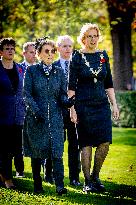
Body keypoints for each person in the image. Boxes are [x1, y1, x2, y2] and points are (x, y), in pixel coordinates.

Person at [68, 23, 119, 193]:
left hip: (101, 106)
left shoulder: (103, 55)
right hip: (83, 106)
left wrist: (114, 105)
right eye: (89, 36)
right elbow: (71, 87)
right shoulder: (77, 56)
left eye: (95, 36)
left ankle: (96, 176)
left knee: (105, 142)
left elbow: (109, 83)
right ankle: (87, 181)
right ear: (83, 38)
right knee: (86, 143)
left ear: (98, 37)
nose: (92, 39)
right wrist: (72, 108)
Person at [23, 37, 73, 195]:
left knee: (57, 152)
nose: (50, 54)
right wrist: (37, 112)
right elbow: (27, 95)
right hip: (36, 118)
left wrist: (69, 102)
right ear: (39, 54)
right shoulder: (31, 71)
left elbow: (62, 96)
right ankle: (38, 184)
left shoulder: (60, 72)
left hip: (56, 119)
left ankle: (59, 185)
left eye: (52, 51)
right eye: (47, 51)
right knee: (37, 153)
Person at [0, 37, 25, 189]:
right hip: (1, 115)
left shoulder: (20, 68)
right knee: (4, 148)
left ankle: (3, 174)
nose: (10, 51)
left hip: (18, 115)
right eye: (7, 48)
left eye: (12, 48)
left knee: (15, 148)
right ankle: (8, 179)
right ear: (1, 51)